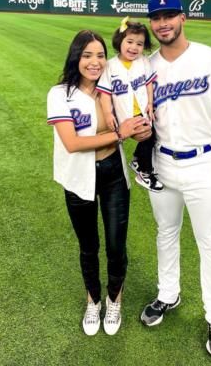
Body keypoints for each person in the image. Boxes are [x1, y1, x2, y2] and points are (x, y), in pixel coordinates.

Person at [140, 0, 211, 357]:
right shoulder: (145, 66)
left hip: (204, 165)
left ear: (183, 17)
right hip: (162, 163)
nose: (163, 23)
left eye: (169, 15)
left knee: (209, 243)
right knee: (165, 233)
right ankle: (167, 295)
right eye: (157, 17)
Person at [47, 30, 150, 336]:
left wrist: (142, 129)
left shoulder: (115, 90)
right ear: (76, 57)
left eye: (101, 55)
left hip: (114, 176)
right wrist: (122, 133)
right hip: (78, 179)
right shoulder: (59, 93)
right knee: (89, 247)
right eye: (87, 55)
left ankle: (114, 300)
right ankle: (93, 300)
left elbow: (138, 121)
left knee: (117, 247)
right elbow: (72, 143)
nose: (95, 62)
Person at [97, 16, 163, 193]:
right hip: (123, 113)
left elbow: (149, 83)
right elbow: (104, 93)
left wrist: (150, 103)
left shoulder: (144, 61)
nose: (134, 47)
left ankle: (139, 164)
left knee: (152, 134)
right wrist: (108, 114)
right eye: (130, 41)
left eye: (140, 44)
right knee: (148, 136)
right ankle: (144, 170)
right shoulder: (109, 66)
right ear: (120, 41)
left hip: (142, 109)